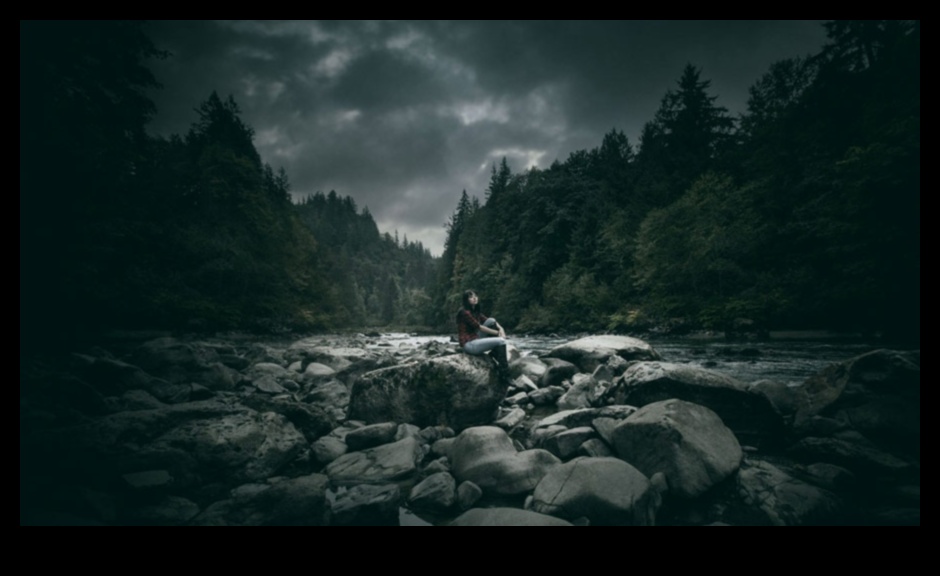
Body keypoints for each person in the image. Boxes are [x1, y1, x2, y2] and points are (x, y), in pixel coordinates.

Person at [456, 289, 510, 376]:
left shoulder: (475, 311)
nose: (474, 298)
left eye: (475, 296)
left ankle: (495, 353)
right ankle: (505, 374)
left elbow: (490, 321)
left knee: (491, 320)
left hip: (474, 338)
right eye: (471, 297)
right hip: (468, 344)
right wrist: (498, 334)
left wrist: (501, 329)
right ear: (466, 300)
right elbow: (479, 327)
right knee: (501, 341)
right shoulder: (464, 312)